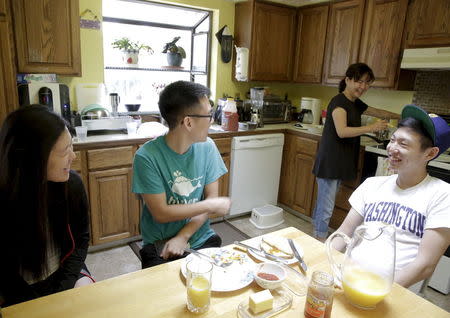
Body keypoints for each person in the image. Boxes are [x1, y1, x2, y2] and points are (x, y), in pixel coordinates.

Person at [331, 104, 450, 288]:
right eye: (393, 140)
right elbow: (343, 233)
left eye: (403, 143)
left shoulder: (442, 195)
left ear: (430, 153)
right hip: (350, 278)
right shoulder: (372, 185)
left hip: (393, 291)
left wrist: (378, 290)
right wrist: (326, 264)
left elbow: (424, 265)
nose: (392, 148)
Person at [0, 106, 94, 307]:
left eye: (72, 146)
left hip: (64, 272)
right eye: (64, 151)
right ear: (32, 158)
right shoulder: (6, 197)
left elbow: (80, 241)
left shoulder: (72, 186)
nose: (73, 157)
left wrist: (62, 290)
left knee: (88, 302)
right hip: (19, 288)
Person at [132, 81, 231, 269]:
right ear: (188, 122)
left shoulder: (208, 147)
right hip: (161, 244)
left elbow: (211, 198)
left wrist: (183, 236)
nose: (212, 120)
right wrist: (209, 205)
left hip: (199, 237)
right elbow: (161, 213)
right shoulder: (146, 157)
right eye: (209, 115)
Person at [311, 63, 400, 241]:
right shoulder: (338, 102)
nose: (363, 86)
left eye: (367, 83)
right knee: (326, 206)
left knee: (325, 202)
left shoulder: (355, 102)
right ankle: (319, 239)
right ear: (348, 80)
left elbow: (377, 111)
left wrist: (401, 115)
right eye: (359, 81)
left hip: (339, 161)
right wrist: (371, 127)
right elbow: (342, 131)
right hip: (331, 161)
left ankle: (316, 234)